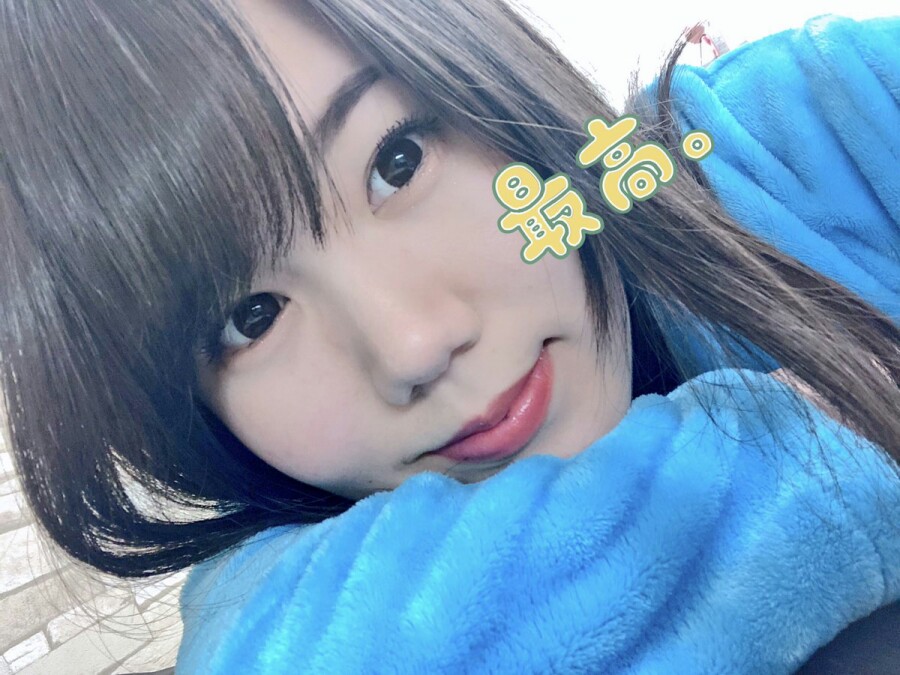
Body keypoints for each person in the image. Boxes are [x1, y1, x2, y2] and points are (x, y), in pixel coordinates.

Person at [0, 1, 896, 672]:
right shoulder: (296, 609)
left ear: (475, 64)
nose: (414, 345)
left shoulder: (821, 124)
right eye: (251, 318)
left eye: (398, 162)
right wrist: (843, 430)